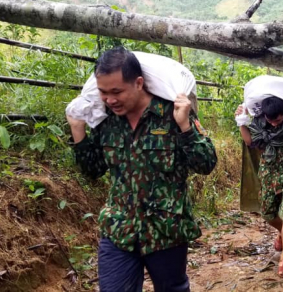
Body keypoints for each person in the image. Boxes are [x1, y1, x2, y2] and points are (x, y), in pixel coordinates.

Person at [66, 47, 217, 292]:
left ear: (138, 83)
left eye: (116, 91)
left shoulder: (172, 113)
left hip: (166, 230)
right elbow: (93, 170)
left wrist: (185, 127)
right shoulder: (106, 120)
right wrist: (78, 132)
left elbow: (206, 164)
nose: (110, 99)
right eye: (103, 92)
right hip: (119, 230)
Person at [235, 96, 283, 278]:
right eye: (269, 120)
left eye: (277, 120)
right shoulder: (261, 123)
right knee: (268, 214)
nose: (272, 124)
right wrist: (241, 122)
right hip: (269, 175)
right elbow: (250, 142)